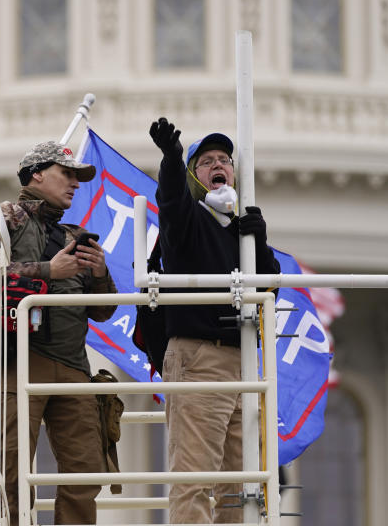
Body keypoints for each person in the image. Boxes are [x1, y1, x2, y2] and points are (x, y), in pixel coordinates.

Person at [0, 141, 117, 525]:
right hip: (20, 363)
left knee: (86, 471)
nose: (74, 184)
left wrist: (99, 273)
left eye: (77, 177)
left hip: (73, 369)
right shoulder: (3, 218)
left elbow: (103, 311)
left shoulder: (75, 235)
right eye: (66, 174)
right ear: (37, 174)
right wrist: (50, 272)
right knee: (14, 472)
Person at [149, 117, 280, 523]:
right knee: (195, 477)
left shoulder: (239, 231)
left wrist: (256, 241)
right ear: (194, 175)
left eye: (224, 158)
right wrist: (171, 159)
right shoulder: (188, 221)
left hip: (240, 361)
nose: (218, 164)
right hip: (199, 357)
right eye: (206, 160)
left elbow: (270, 288)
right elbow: (170, 201)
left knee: (238, 487)